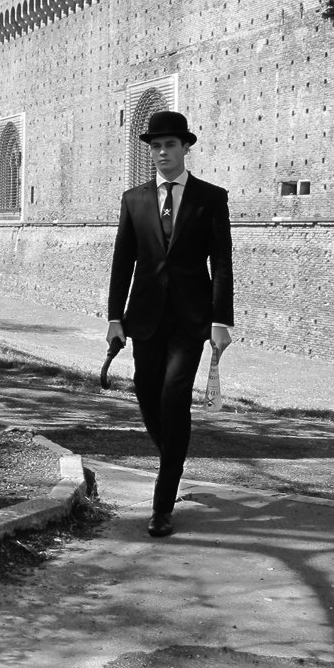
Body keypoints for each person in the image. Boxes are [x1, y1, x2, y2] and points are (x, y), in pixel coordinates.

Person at [106, 110, 233, 538]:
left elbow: (222, 264)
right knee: (146, 391)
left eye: (170, 145)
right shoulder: (134, 199)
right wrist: (115, 317)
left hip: (191, 320)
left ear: (185, 148)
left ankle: (161, 506)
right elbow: (123, 261)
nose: (162, 152)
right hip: (144, 317)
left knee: (174, 397)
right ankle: (172, 461)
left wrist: (220, 320)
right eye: (156, 146)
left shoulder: (210, 198)